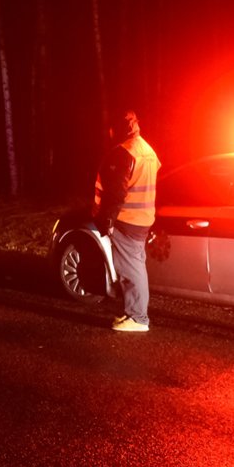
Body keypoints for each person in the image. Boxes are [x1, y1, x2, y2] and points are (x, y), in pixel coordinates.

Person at [92, 109, 160, 332]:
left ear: (117, 128)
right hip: (143, 217)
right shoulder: (147, 149)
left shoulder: (124, 152)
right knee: (136, 266)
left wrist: (106, 220)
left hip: (127, 219)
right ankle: (133, 312)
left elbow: (116, 193)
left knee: (130, 269)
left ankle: (138, 318)